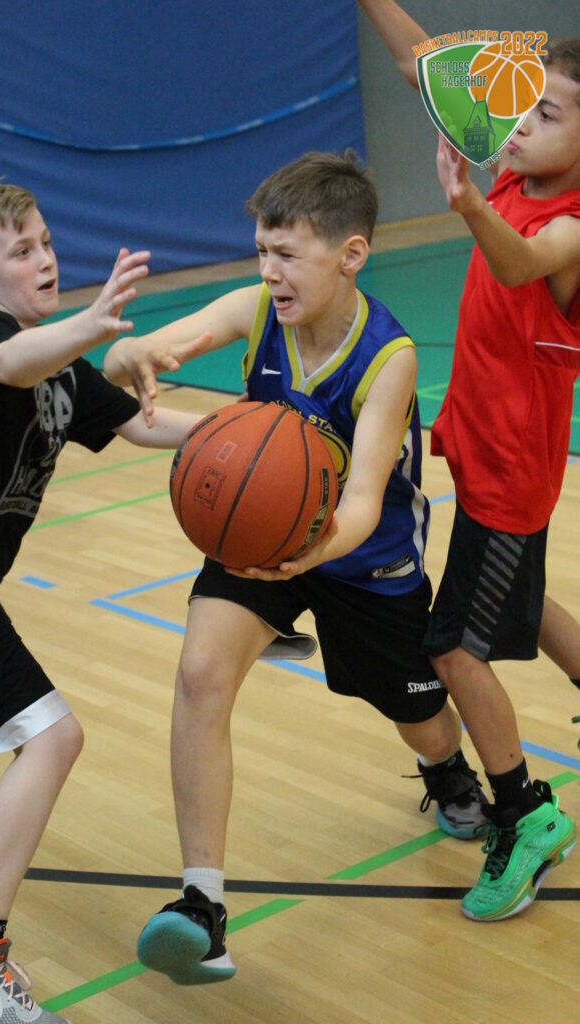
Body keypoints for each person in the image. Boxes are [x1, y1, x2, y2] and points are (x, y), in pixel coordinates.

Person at [104, 149, 489, 985]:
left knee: (418, 715)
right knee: (200, 674)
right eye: (260, 252)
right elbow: (157, 351)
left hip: (361, 557)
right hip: (264, 534)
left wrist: (306, 553)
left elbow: (361, 501)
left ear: (350, 255)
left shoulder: (388, 356)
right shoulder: (256, 312)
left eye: (285, 253)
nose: (267, 271)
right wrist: (133, 359)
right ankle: (201, 905)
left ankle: (444, 767)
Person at [0, 182, 207, 1024]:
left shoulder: (58, 366)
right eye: (21, 251)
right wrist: (93, 323)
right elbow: (12, 364)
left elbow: (139, 425)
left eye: (44, 242)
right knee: (50, 735)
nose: (44, 259)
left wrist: (255, 423)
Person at [357, 0, 579, 921]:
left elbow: (525, 263)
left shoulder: (570, 221)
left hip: (513, 470)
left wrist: (464, 206)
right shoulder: (518, 170)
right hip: (482, 447)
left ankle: (525, 816)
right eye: (522, 107)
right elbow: (420, 63)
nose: (520, 124)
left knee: (451, 647)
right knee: (522, 593)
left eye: (547, 115)